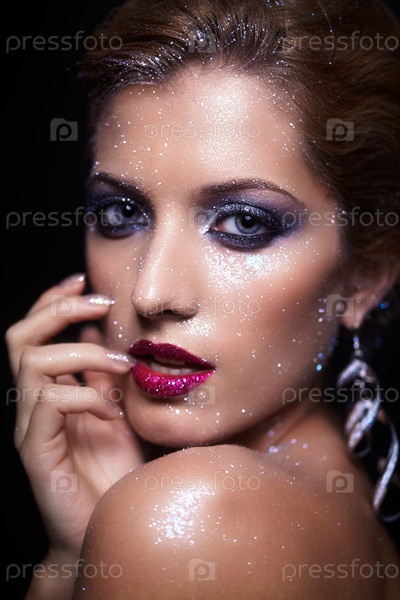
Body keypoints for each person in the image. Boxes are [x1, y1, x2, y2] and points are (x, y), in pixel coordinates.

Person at [5, 0, 400, 597]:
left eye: (243, 223)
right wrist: (74, 557)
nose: (151, 293)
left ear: (364, 275)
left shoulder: (193, 516)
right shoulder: (340, 511)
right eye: (121, 213)